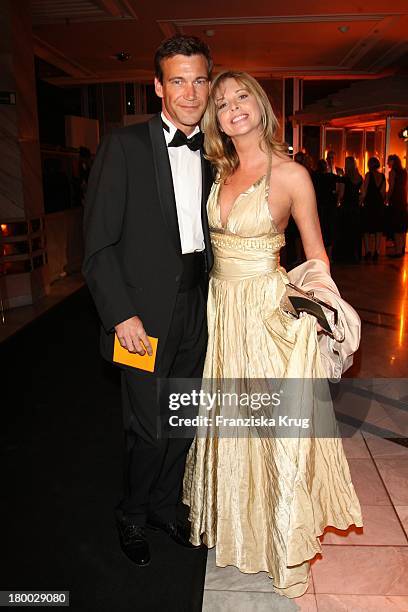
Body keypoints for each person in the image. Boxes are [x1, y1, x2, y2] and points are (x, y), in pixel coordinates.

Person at [183, 71, 363, 598]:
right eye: (221, 102)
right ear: (215, 118)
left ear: (260, 104)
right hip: (222, 313)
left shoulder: (291, 176)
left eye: (241, 97)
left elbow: (316, 253)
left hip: (266, 316)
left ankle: (285, 545)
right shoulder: (218, 169)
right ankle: (242, 529)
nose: (232, 107)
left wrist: (312, 310)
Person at [82, 35, 213, 567]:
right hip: (140, 317)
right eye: (177, 80)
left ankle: (163, 505)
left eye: (199, 79)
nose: (190, 91)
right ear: (158, 86)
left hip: (199, 309)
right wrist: (120, 315)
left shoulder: (218, 152)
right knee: (148, 425)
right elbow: (97, 246)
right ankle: (132, 513)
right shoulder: (126, 146)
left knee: (183, 420)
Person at [334, 156, 363, 263]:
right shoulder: (359, 178)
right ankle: (354, 256)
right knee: (354, 233)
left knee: (345, 232)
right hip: (355, 208)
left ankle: (344, 256)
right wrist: (358, 201)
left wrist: (338, 200)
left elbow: (341, 194)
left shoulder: (344, 178)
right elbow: (362, 193)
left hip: (346, 208)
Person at [312, 158, 339, 261]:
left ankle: (320, 255)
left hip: (319, 206)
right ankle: (329, 255)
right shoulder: (329, 177)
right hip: (328, 207)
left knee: (321, 231)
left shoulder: (314, 177)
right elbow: (334, 190)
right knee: (329, 231)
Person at [361, 156, 386, 261]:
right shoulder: (382, 176)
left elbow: (364, 191)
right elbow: (383, 192)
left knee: (367, 229)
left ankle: (368, 251)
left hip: (369, 205)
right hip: (379, 205)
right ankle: (377, 251)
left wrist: (361, 200)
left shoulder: (368, 175)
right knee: (378, 229)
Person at [387, 154, 407, 258]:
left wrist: (387, 198)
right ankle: (402, 248)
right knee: (402, 227)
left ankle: (398, 250)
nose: (387, 163)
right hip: (402, 200)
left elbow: (391, 188)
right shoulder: (404, 172)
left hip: (395, 201)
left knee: (396, 227)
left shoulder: (392, 173)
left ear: (393, 161)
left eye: (389, 161)